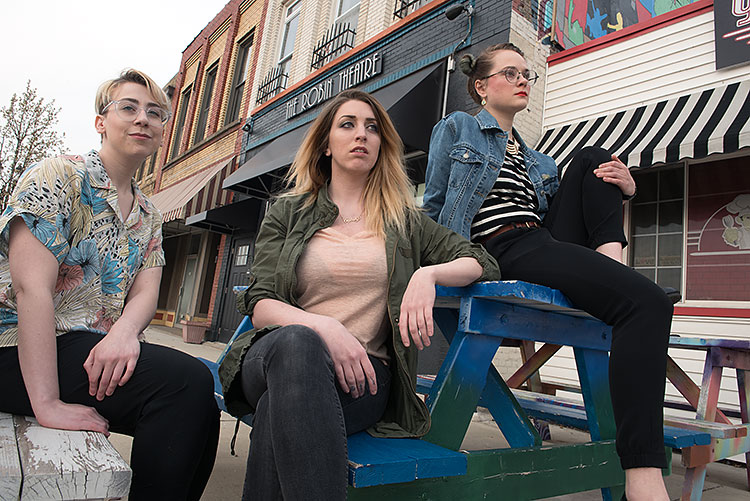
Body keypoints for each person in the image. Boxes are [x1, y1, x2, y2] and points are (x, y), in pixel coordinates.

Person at [217, 89, 499, 500]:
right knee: (299, 344)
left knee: (277, 413)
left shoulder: (404, 222)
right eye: (347, 125)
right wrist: (325, 328)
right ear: (326, 144)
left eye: (372, 128)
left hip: (363, 378)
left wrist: (427, 274)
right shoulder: (288, 212)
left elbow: (480, 261)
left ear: (381, 145)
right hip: (278, 354)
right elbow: (260, 304)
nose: (361, 135)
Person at [423, 44, 673, 501]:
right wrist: (434, 269)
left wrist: (627, 192)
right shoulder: (458, 128)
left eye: (527, 75)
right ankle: (642, 473)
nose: (523, 81)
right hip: (496, 246)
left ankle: (610, 269)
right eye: (511, 73)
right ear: (481, 86)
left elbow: (578, 207)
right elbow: (435, 205)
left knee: (592, 158)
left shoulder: (539, 160)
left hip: (541, 239)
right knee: (649, 303)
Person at [0, 69, 219, 500]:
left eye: (155, 113)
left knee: (201, 409)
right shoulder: (59, 175)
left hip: (88, 354)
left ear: (161, 133)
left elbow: (145, 291)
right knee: (182, 383)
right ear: (101, 121)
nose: (143, 119)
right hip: (14, 347)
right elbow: (32, 289)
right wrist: (47, 404)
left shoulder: (150, 215)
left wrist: (123, 333)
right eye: (129, 107)